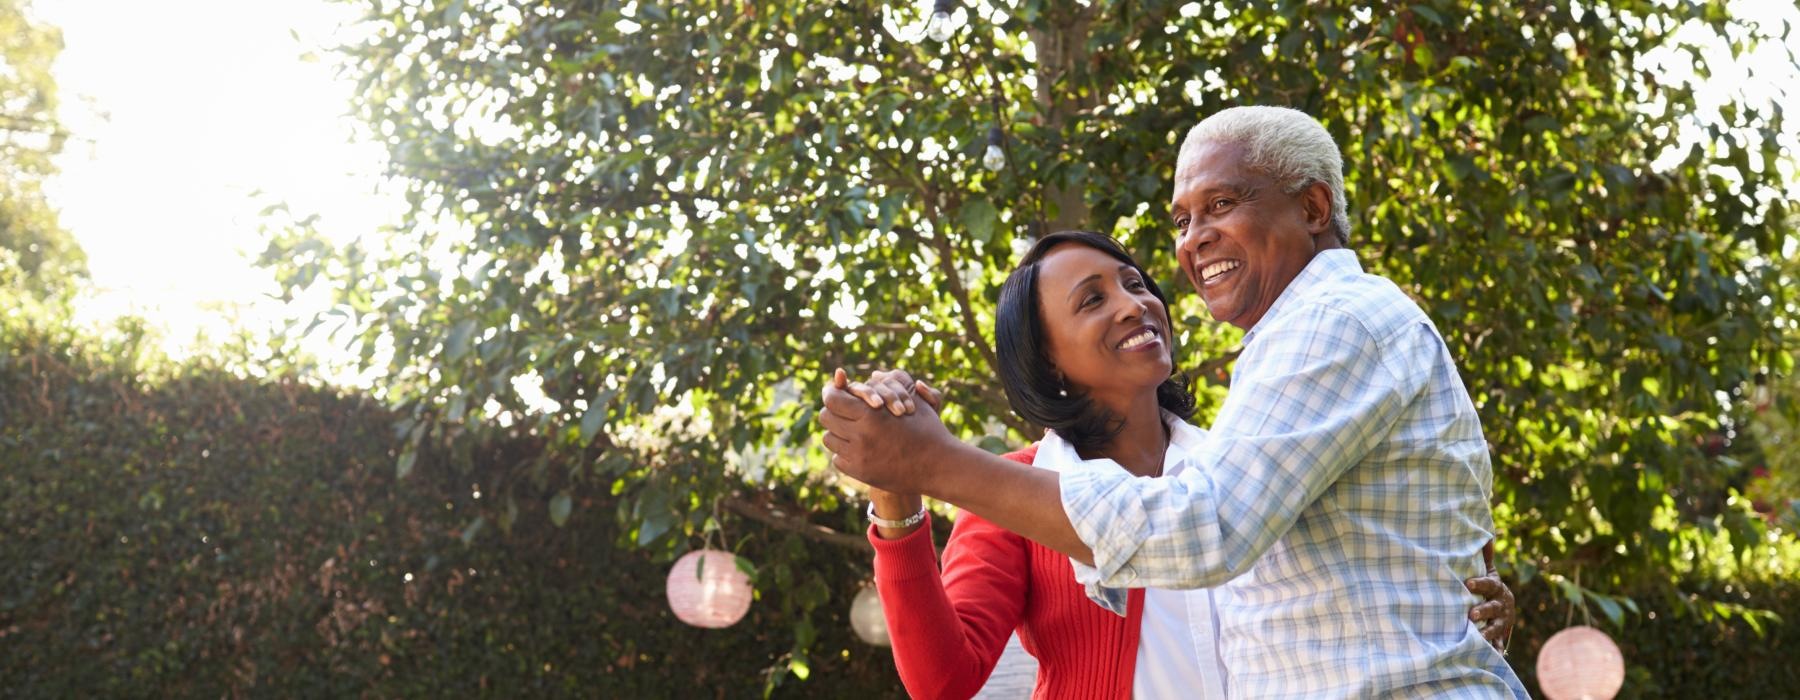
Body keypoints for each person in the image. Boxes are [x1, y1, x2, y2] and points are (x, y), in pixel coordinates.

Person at [820, 107, 1526, 698]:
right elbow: (943, 678)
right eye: (1092, 300)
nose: (1138, 302)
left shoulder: (1259, 415)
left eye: (1134, 282)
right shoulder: (1017, 490)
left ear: (1313, 207)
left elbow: (1210, 529)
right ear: (1049, 362)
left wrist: (1456, 605)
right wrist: (903, 485)